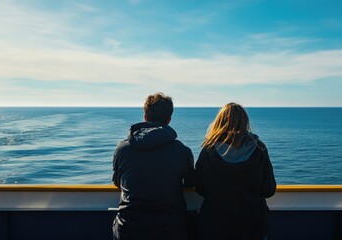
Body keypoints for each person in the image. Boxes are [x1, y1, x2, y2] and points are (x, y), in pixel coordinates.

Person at [112, 92, 195, 240]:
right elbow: (190, 183)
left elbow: (118, 182)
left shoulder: (122, 149)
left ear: (145, 117)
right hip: (171, 231)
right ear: (169, 119)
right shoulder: (182, 151)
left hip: (129, 230)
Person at [195, 102, 276, 240]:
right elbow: (269, 189)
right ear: (245, 122)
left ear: (219, 122)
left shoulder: (208, 150)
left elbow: (200, 187)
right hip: (253, 226)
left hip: (215, 225)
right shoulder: (259, 149)